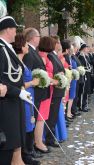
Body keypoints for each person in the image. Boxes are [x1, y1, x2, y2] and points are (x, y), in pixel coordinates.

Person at [0, 16, 32, 165]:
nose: (15, 33)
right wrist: (18, 92)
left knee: (13, 143)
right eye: (14, 29)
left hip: (12, 103)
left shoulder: (7, 47)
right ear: (7, 29)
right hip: (5, 105)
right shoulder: (1, 49)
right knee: (6, 148)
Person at [12, 33, 41, 165]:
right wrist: (33, 83)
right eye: (25, 45)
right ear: (21, 46)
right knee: (26, 125)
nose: (27, 47)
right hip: (24, 97)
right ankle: (25, 155)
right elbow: (18, 84)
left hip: (30, 97)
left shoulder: (22, 62)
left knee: (30, 124)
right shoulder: (17, 64)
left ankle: (27, 153)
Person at [23, 27, 48, 159]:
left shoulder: (34, 51)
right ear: (33, 38)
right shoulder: (29, 52)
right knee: (31, 122)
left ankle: (31, 147)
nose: (40, 39)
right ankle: (29, 150)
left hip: (37, 92)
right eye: (38, 37)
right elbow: (27, 72)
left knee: (32, 122)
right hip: (32, 92)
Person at [34, 36, 56, 154]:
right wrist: (54, 80)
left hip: (49, 88)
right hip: (44, 89)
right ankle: (38, 142)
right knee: (40, 117)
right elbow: (44, 75)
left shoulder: (45, 56)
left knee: (43, 117)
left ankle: (39, 140)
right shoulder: (42, 56)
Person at [45, 36, 66, 148]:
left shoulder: (54, 55)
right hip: (55, 90)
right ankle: (49, 138)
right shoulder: (51, 56)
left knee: (54, 115)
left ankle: (52, 136)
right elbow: (53, 71)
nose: (60, 45)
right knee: (52, 116)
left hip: (58, 90)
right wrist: (60, 75)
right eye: (58, 42)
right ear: (55, 44)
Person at [77, 44, 92, 112]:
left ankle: (85, 104)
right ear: (83, 49)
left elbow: (89, 64)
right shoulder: (80, 56)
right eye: (86, 48)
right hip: (84, 75)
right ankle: (81, 105)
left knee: (86, 90)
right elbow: (81, 66)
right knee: (82, 91)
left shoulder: (86, 56)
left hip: (87, 75)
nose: (87, 49)